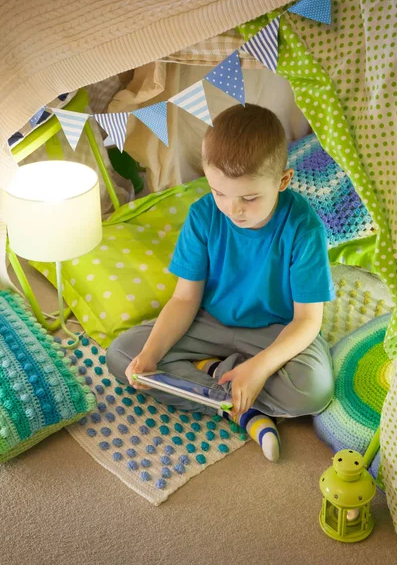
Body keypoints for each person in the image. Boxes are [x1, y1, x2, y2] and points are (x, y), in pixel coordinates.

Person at [107, 104, 335, 462]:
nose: (233, 209)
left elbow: (307, 321)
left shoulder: (304, 228)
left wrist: (259, 367)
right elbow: (184, 300)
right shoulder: (202, 215)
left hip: (274, 330)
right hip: (207, 322)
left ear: (283, 181)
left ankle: (222, 379)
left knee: (314, 391)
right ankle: (241, 406)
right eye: (220, 192)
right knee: (123, 355)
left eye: (249, 197)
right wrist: (149, 356)